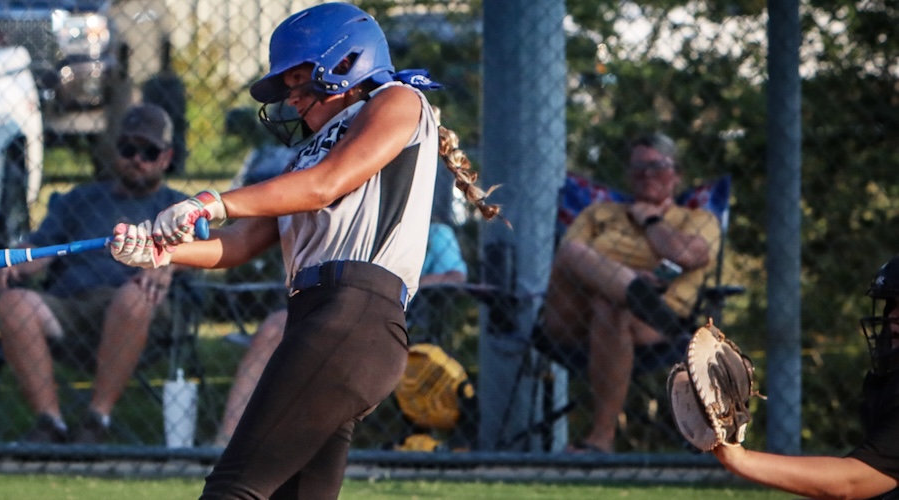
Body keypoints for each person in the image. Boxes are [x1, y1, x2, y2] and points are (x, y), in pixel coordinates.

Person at [108, 3, 499, 497]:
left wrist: (212, 202)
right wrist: (163, 252)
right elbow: (245, 242)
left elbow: (326, 187)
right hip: (320, 321)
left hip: (354, 314)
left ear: (346, 65)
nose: (292, 101)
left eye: (301, 83)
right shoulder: (310, 154)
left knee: (234, 489)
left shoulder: (397, 101)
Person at [0, 103, 188, 445]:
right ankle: (50, 423)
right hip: (71, 308)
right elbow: (39, 251)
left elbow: (212, 250)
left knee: (134, 296)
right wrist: (10, 262)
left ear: (166, 157)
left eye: (149, 152)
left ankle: (96, 420)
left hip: (143, 318)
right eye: (128, 149)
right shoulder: (78, 200)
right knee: (14, 303)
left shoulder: (178, 208)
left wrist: (170, 261)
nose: (137, 159)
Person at [539, 132, 722, 454]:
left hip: (654, 324)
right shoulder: (600, 213)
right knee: (571, 254)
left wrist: (650, 220)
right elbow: (569, 258)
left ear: (676, 174)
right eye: (638, 167)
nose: (646, 173)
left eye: (656, 166)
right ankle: (631, 289)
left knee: (610, 305)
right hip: (570, 317)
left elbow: (688, 256)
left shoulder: (697, 218)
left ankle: (600, 440)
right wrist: (625, 277)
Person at [211, 220, 468, 448]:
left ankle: (285, 445)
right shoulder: (356, 226)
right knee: (273, 328)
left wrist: (394, 289)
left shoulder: (434, 232)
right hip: (333, 310)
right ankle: (228, 439)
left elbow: (455, 277)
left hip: (401, 323)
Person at [713, 257, 899, 499]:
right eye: (892, 305)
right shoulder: (888, 379)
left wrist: (740, 459)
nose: (893, 319)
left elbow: (853, 481)